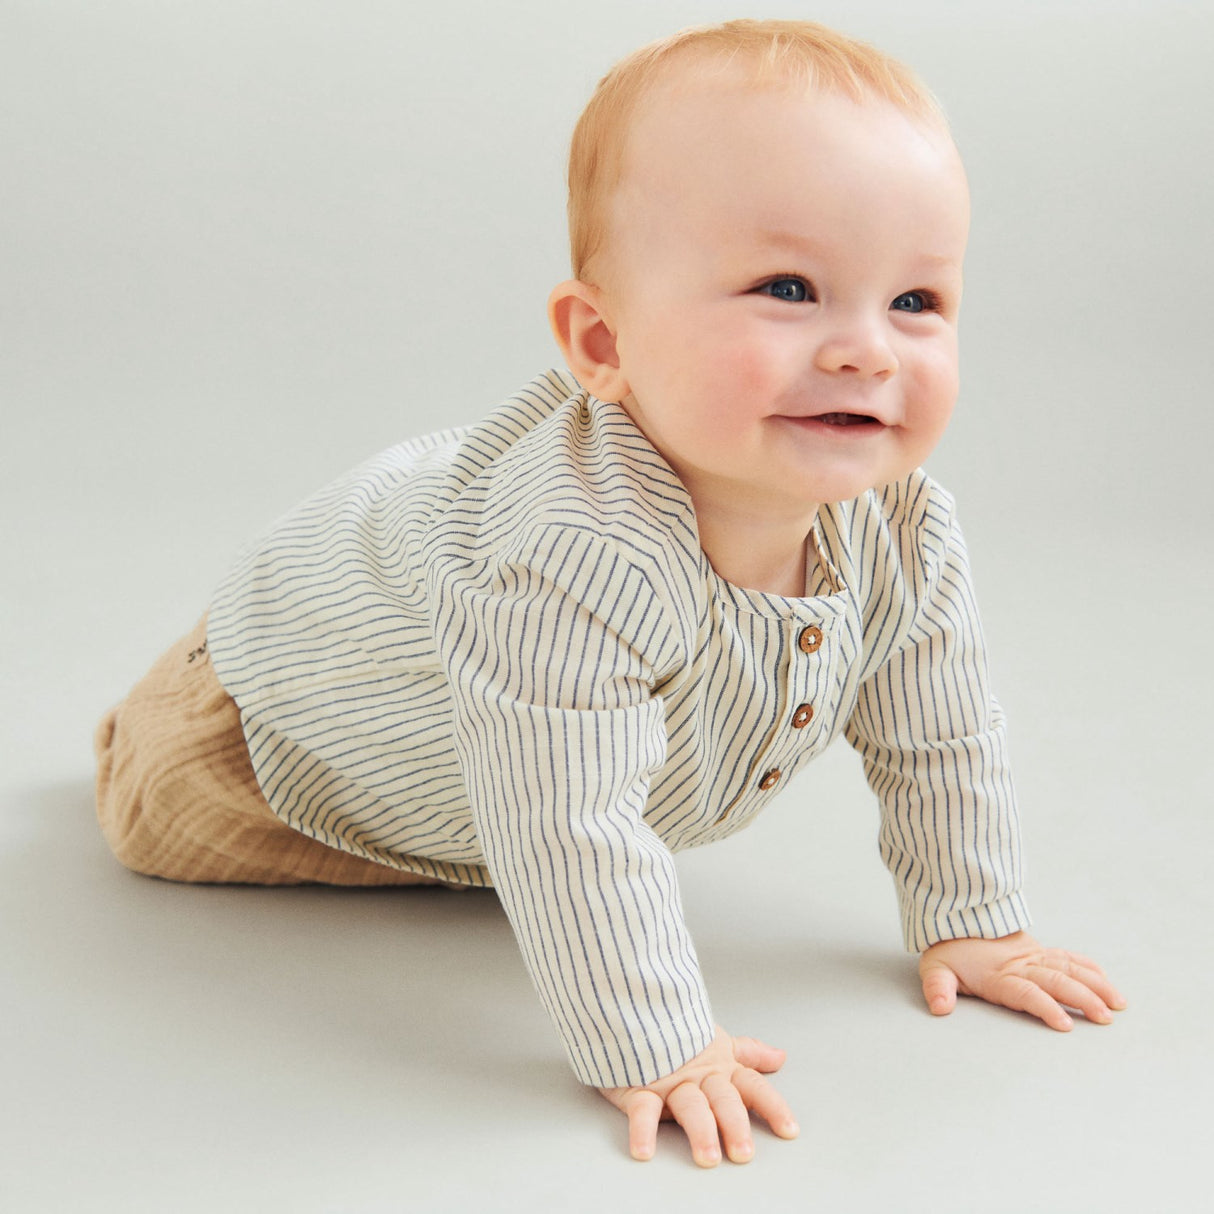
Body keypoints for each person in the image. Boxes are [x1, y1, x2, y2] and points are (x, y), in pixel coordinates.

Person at [94, 18, 1126, 1168]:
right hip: (269, 732)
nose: (867, 350)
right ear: (601, 338)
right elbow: (566, 824)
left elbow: (939, 734)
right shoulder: (571, 556)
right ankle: (138, 726)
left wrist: (972, 919)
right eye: (789, 288)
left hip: (483, 752)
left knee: (531, 788)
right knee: (139, 811)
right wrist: (658, 1041)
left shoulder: (903, 528)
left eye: (916, 301)